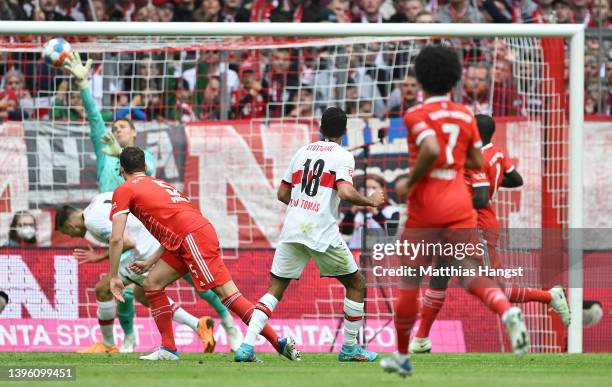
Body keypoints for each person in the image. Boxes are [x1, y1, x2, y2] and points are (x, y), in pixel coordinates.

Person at [62, 52, 242, 353]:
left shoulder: (144, 161)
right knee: (131, 290)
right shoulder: (104, 153)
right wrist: (82, 84)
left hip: (152, 233)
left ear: (134, 133)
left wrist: (120, 150)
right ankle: (130, 339)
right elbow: (95, 119)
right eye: (115, 127)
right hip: (127, 231)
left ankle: (228, 325)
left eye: (123, 127)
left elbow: (151, 184)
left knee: (197, 281)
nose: (117, 129)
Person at [380, 46, 529, 377]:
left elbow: (431, 148)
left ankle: (403, 355)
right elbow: (476, 161)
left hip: (427, 203)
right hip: (460, 203)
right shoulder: (464, 115)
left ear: (419, 78)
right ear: (455, 79)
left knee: (409, 278)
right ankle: (506, 311)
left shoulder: (415, 114)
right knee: (468, 270)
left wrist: (409, 180)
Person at [107, 147, 300, 361]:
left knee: (228, 295)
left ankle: (279, 342)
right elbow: (174, 225)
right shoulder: (160, 184)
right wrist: (150, 261)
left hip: (192, 238)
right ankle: (168, 349)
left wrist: (114, 276)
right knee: (152, 284)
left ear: (121, 169)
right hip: (187, 236)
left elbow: (116, 238)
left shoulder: (124, 189)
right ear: (144, 166)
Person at [408, 114, 571, 354]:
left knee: (492, 286)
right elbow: (516, 179)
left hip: (477, 226)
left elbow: (482, 197)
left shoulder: (475, 158)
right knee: (439, 276)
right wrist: (492, 180)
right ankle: (421, 339)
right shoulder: (496, 153)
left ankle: (549, 297)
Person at [236, 107, 385, 363]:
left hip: (293, 227)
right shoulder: (342, 156)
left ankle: (246, 347)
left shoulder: (302, 151)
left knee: (274, 290)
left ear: (320, 127)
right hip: (321, 231)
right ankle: (349, 349)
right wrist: (371, 201)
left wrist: (303, 205)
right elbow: (347, 193)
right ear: (345, 131)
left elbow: (282, 194)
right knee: (356, 284)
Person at [54, 193, 242, 354]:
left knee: (103, 289)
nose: (72, 236)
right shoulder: (98, 200)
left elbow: (125, 242)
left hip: (145, 251)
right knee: (144, 295)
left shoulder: (92, 221)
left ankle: (108, 344)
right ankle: (199, 325)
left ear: (70, 225)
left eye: (68, 233)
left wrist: (99, 257)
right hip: (161, 240)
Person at [340, 175, 400, 249]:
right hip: (357, 252)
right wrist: (352, 211)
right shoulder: (356, 210)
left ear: (383, 189)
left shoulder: (392, 210)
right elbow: (345, 231)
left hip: (380, 253)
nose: (369, 191)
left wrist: (375, 212)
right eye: (366, 188)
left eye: (374, 188)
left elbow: (392, 231)